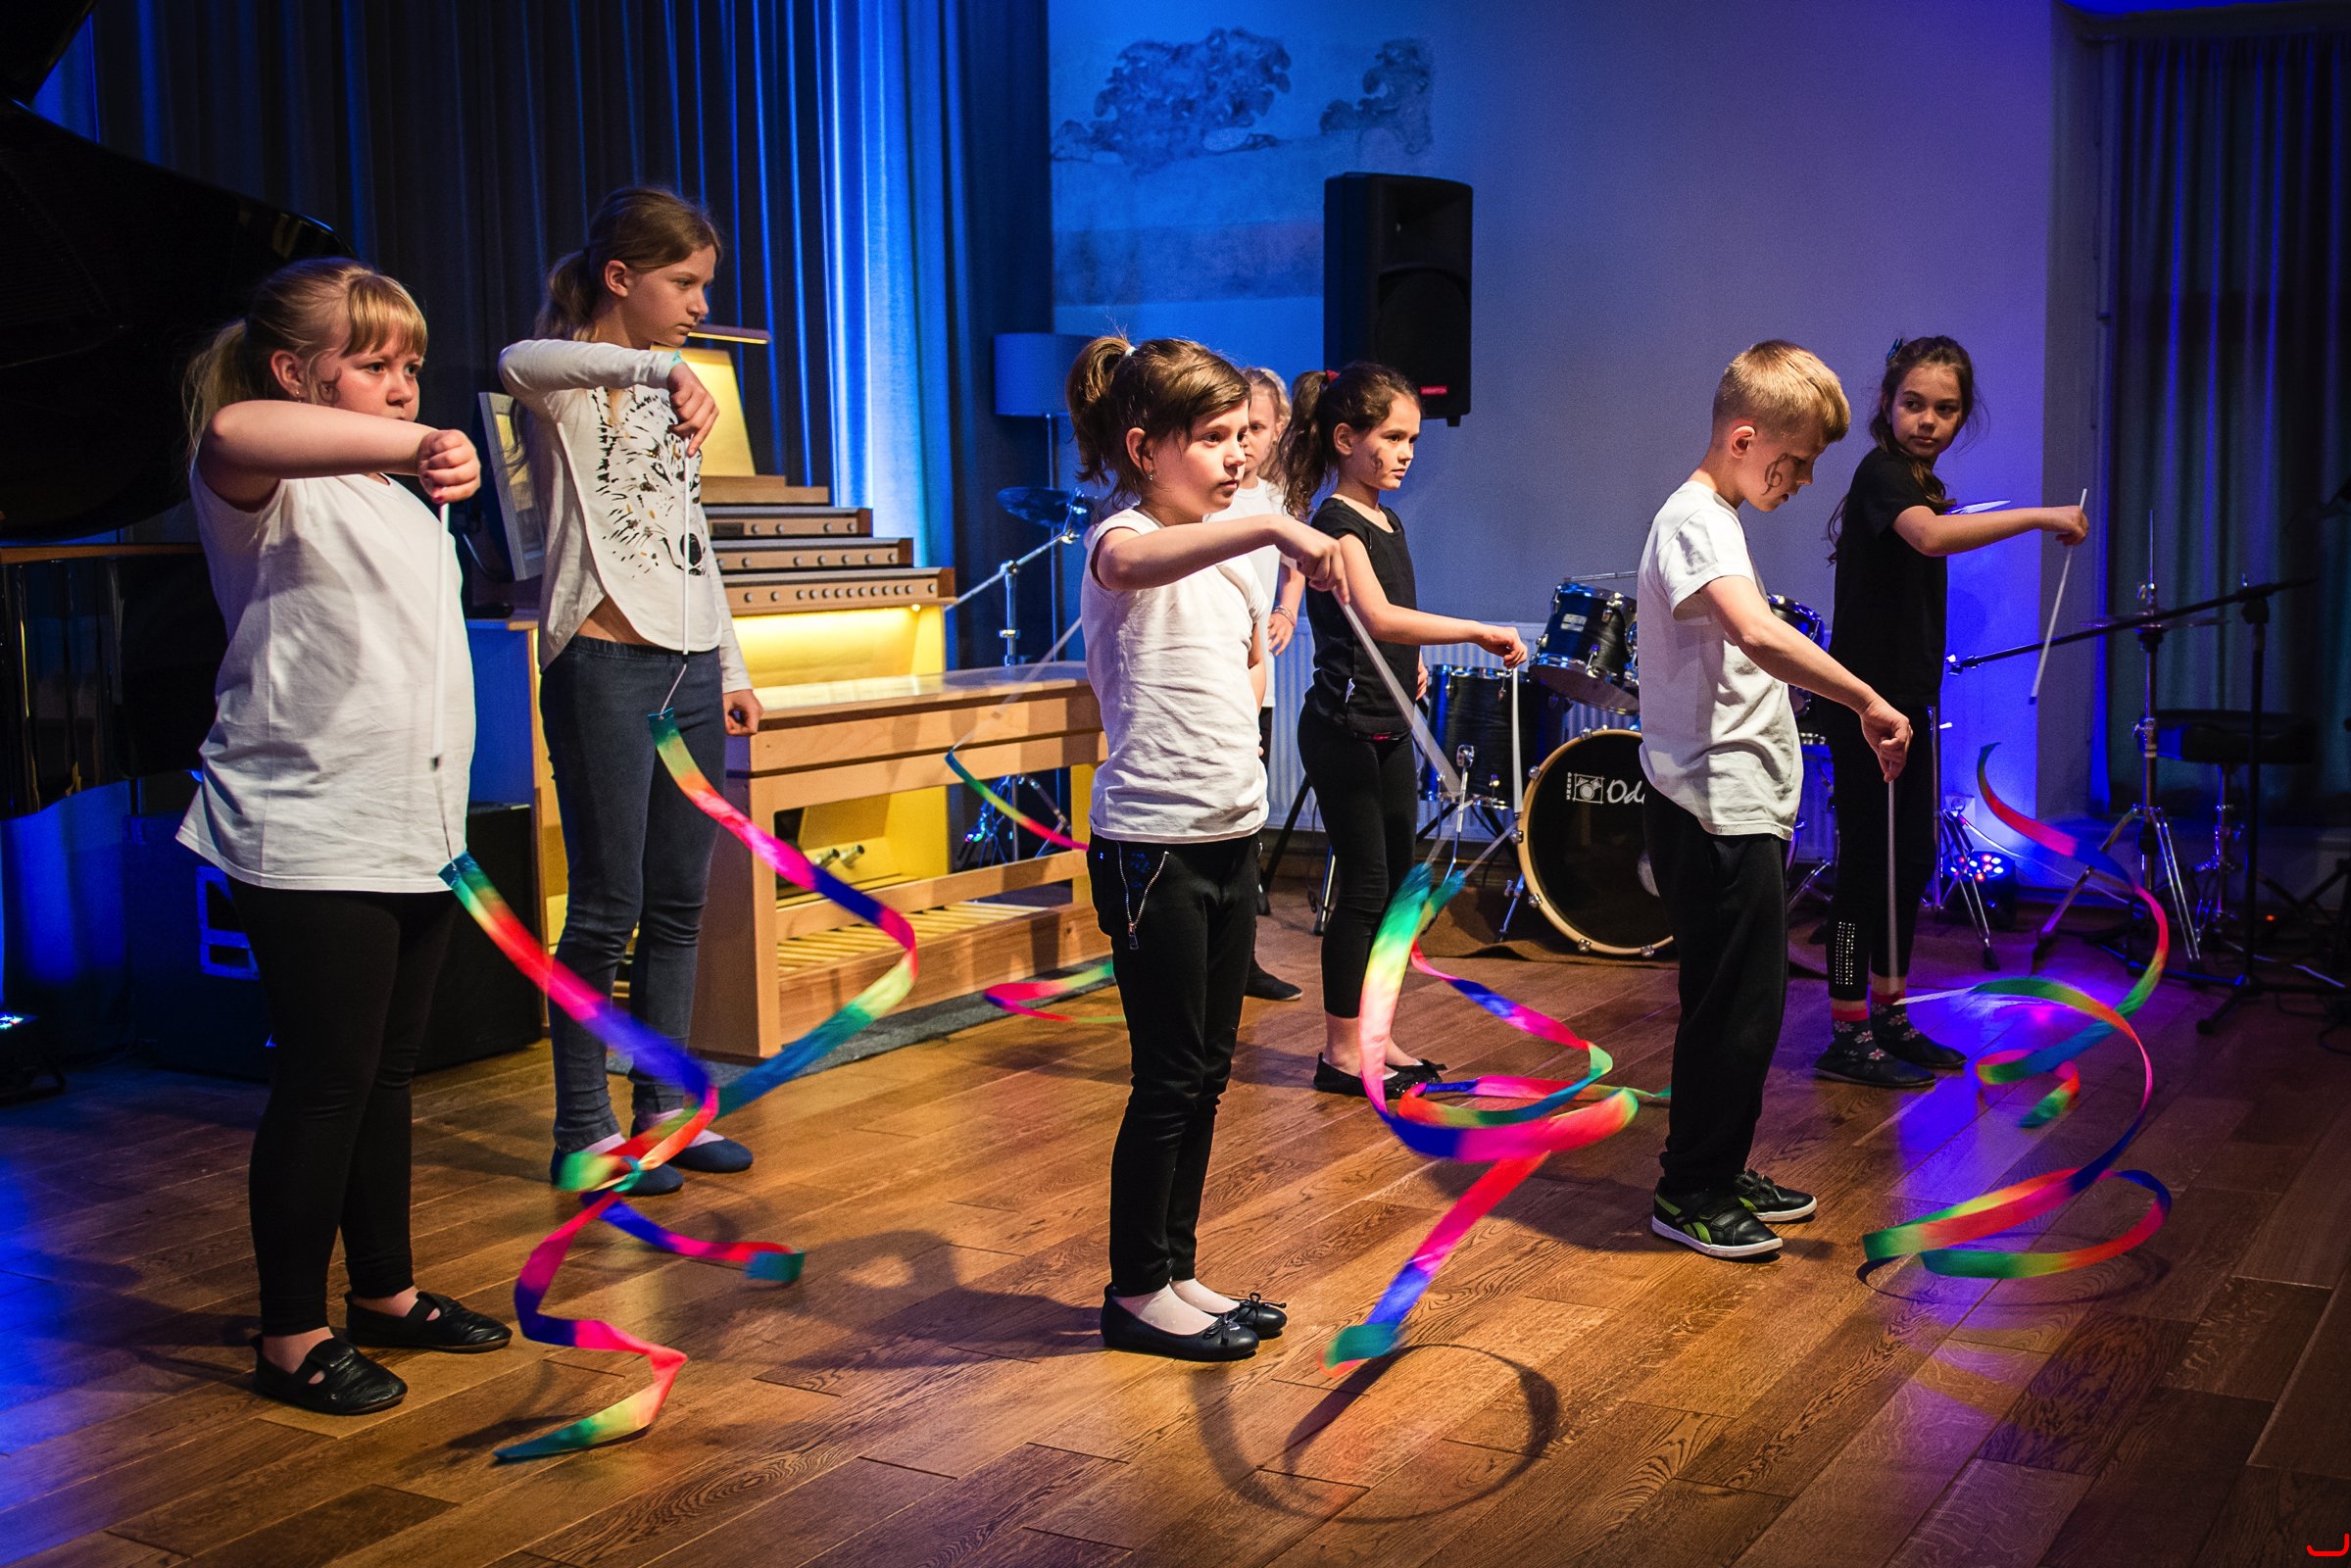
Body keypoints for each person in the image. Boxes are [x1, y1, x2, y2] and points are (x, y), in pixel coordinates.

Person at [182, 258, 513, 1414]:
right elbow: (232, 428)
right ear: (293, 370)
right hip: (307, 825)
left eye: (411, 363)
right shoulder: (268, 481)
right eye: (372, 363)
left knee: (384, 1076)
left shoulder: (397, 497)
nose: (403, 383)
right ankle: (289, 1333)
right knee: (326, 1081)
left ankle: (384, 1290)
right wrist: (414, 442)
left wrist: (421, 460)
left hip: (409, 826)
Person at [1069, 334, 1347, 1360]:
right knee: (1167, 1077)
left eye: (1243, 436)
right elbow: (1131, 564)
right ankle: (1135, 1291)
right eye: (1214, 437)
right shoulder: (1122, 536)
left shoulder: (1230, 542)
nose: (1238, 455)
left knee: (1208, 1073)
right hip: (1152, 847)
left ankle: (1176, 1271)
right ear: (1144, 448)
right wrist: (1268, 522)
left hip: (1229, 837)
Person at [501, 187, 763, 1194]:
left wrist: (730, 666)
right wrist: (657, 367)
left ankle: (664, 1113)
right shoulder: (574, 377)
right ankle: (583, 1128)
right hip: (605, 668)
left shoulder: (670, 391)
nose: (699, 305)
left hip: (689, 664)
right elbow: (518, 361)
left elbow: (689, 542)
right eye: (683, 283)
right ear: (619, 277)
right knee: (605, 906)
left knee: (680, 901)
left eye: (704, 287)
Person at [1636, 340, 1911, 1260]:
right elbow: (1756, 634)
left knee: (1741, 1005)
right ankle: (1691, 1189)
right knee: (1734, 1008)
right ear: (1744, 438)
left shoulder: (1715, 517)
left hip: (1735, 803)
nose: (1798, 481)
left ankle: (1716, 1166)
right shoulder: (1693, 520)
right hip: (1710, 807)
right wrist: (1866, 699)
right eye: (1792, 461)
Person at [1816, 336, 2088, 1088]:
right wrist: (2041, 515)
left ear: (1961, 415)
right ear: (1885, 404)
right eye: (1913, 404)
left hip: (1908, 702)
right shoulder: (1881, 475)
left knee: (1910, 863)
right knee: (1864, 869)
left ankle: (1888, 1013)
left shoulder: (1922, 482)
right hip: (1864, 705)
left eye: (1945, 408)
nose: (1927, 421)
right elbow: (1931, 539)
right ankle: (1845, 1031)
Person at [1278, 363, 1527, 1098]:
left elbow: (1385, 626)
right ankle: (1338, 1053)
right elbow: (1378, 616)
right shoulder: (1335, 523)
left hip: (1387, 724)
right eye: (1391, 437)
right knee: (1363, 890)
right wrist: (1475, 630)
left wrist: (1409, 664)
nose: (1406, 452)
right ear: (1344, 438)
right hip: (1343, 730)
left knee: (1396, 894)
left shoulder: (1388, 519)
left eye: (1412, 439)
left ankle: (1375, 1038)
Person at [1205, 365, 1306, 1003]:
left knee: (1246, 823)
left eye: (1257, 429)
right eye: (1233, 429)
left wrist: (1286, 611)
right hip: (1208, 679)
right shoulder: (1208, 500)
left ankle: (1240, 960)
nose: (1244, 443)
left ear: (1276, 433)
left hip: (1254, 681)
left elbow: (1295, 565)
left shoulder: (1275, 500)